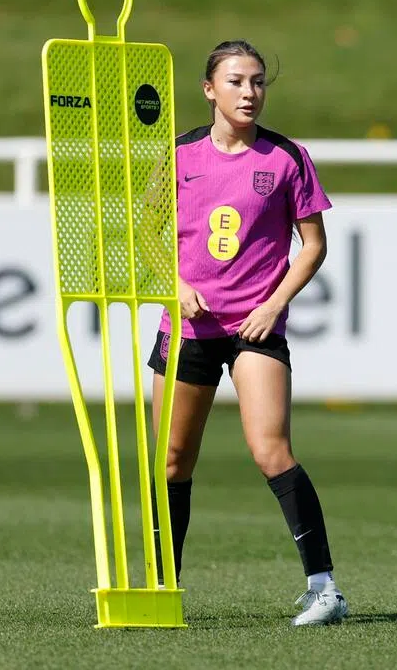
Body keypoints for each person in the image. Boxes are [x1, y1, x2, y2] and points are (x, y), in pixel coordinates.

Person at [147, 39, 348, 625]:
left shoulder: (287, 158)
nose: (249, 92)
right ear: (209, 90)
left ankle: (325, 589)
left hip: (254, 328)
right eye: (235, 81)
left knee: (271, 451)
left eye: (257, 81)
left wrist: (274, 303)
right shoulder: (178, 154)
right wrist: (175, 285)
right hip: (188, 327)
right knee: (172, 461)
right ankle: (162, 587)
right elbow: (145, 233)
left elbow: (313, 246)